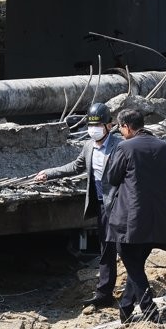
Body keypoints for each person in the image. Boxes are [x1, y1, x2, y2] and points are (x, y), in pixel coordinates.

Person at [35, 102, 121, 309]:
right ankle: (104, 294)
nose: (94, 129)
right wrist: (49, 173)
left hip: (120, 205)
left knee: (126, 250)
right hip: (103, 206)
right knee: (106, 250)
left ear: (109, 126)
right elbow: (76, 166)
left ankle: (137, 292)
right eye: (91, 125)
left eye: (98, 125)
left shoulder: (119, 146)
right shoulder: (89, 146)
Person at [103, 108, 166, 325]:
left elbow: (113, 177)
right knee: (136, 265)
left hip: (130, 218)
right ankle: (125, 310)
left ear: (126, 126)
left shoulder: (125, 147)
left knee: (131, 262)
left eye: (120, 127)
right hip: (158, 218)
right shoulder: (164, 146)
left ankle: (149, 310)